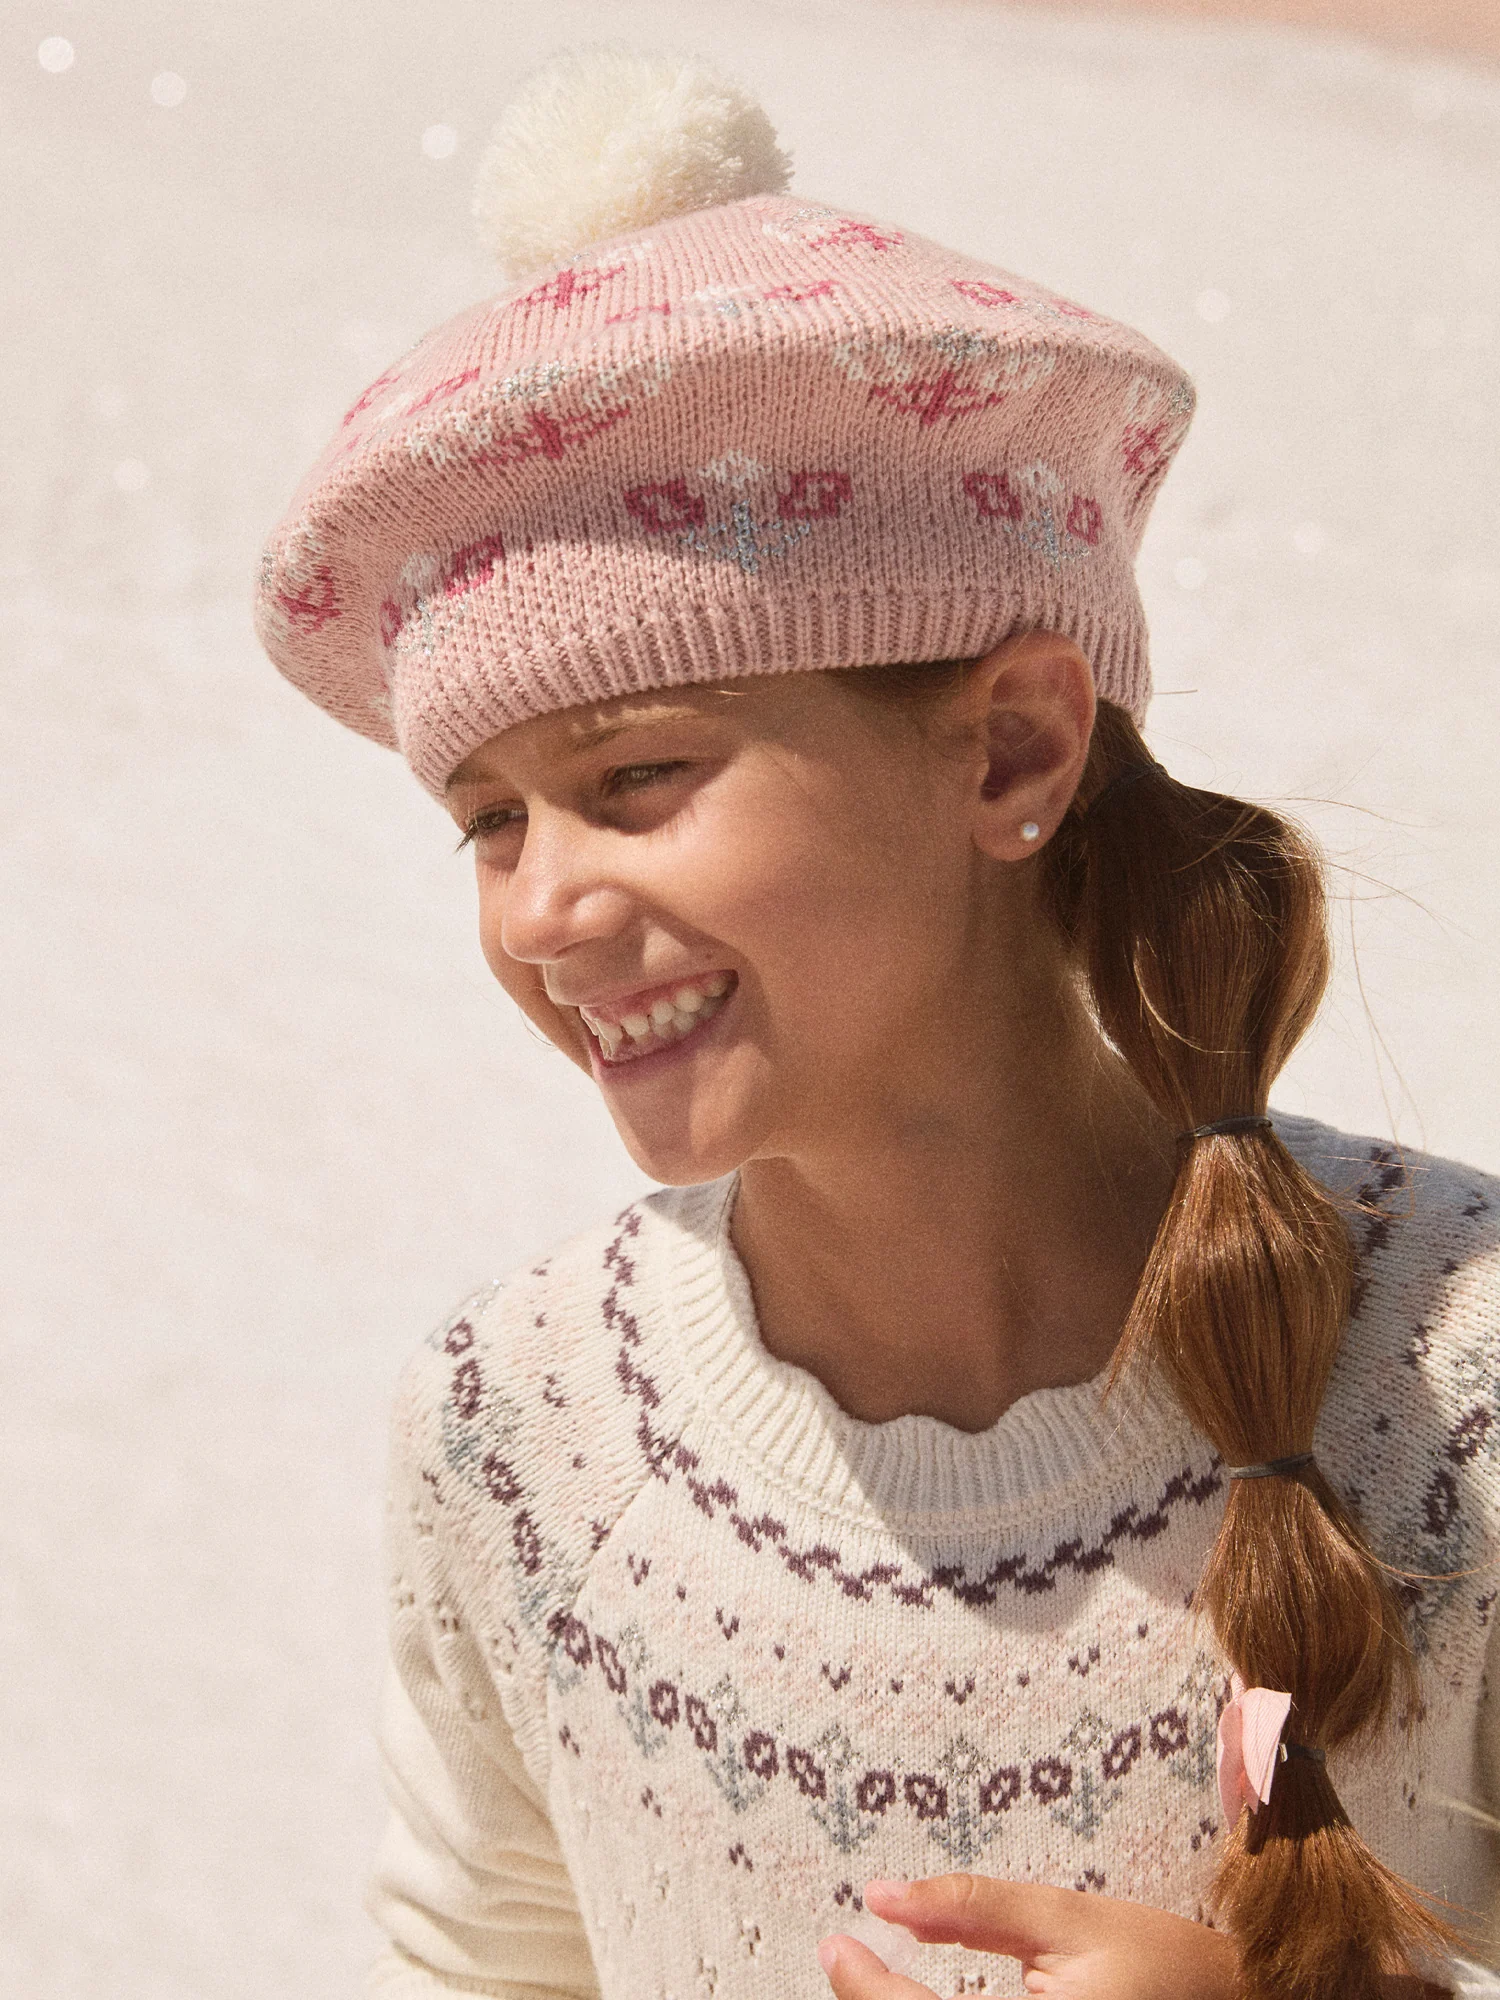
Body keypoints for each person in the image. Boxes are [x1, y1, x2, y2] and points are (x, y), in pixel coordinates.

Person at [254, 46, 1500, 2000]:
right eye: (487, 819)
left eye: (639, 771)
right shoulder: (519, 1430)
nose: (542, 903)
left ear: (1011, 746)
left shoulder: (1457, 1377)